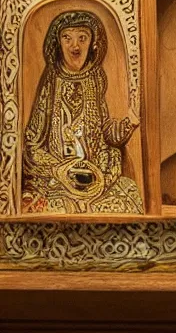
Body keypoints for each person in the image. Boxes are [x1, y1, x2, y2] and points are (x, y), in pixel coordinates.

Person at [23, 11, 144, 214]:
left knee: (129, 198)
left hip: (94, 175)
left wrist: (128, 123)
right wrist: (61, 169)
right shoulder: (51, 82)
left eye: (82, 38)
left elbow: (106, 133)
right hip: (57, 178)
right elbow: (32, 143)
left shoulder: (94, 79)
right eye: (67, 38)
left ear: (93, 43)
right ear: (58, 43)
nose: (75, 46)